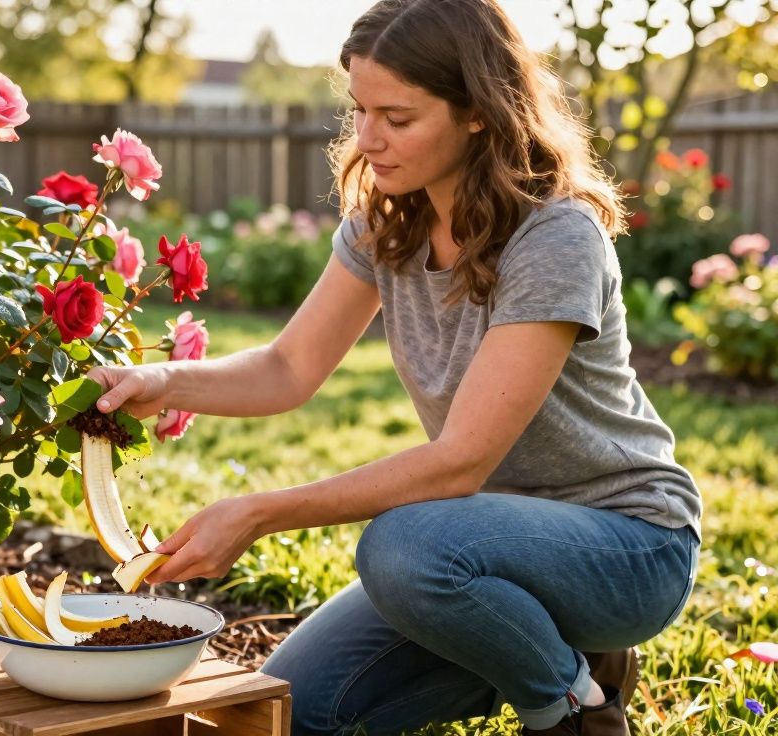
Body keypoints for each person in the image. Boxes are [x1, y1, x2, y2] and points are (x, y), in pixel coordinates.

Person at [85, 1, 701, 734]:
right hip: (477, 557)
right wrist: (161, 383)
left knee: (403, 547)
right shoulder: (388, 223)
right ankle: (550, 651)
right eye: (360, 110)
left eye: (398, 118)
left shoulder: (554, 236)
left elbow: (459, 465)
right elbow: (288, 367)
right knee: (296, 711)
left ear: (477, 111)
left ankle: (571, 706)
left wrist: (256, 514)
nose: (368, 139)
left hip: (626, 547)